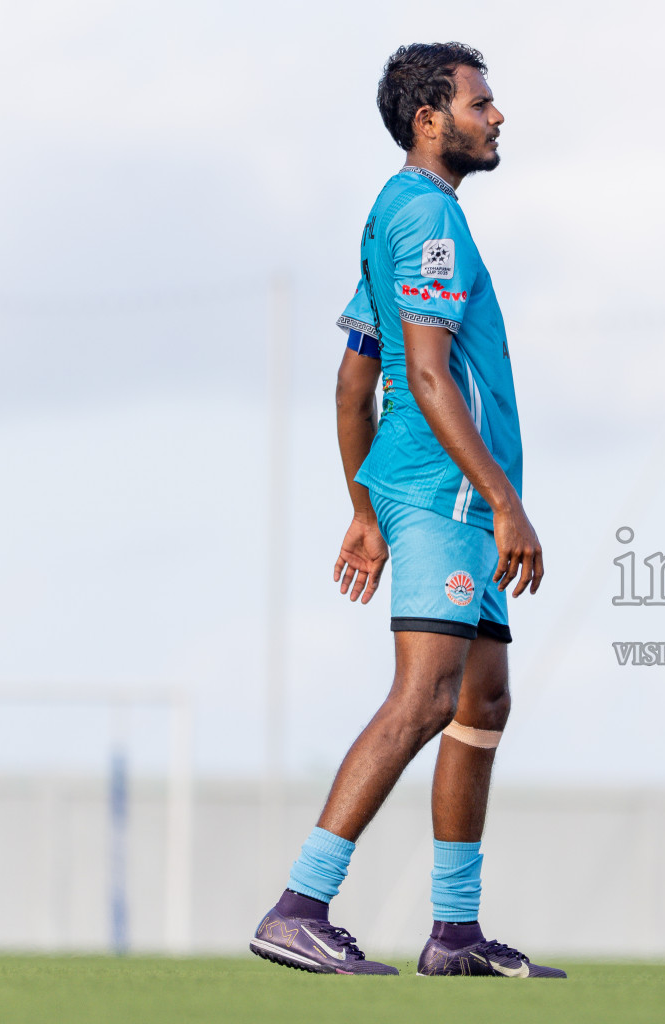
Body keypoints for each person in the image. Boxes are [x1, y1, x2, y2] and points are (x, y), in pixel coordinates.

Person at [249, 42, 562, 979]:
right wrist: (503, 502)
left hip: (424, 492)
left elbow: (355, 378)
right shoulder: (427, 216)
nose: (497, 116)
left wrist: (361, 508)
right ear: (432, 118)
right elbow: (422, 374)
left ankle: (453, 934)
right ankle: (299, 905)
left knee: (482, 697)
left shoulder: (396, 213)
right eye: (482, 102)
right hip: (451, 492)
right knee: (425, 693)